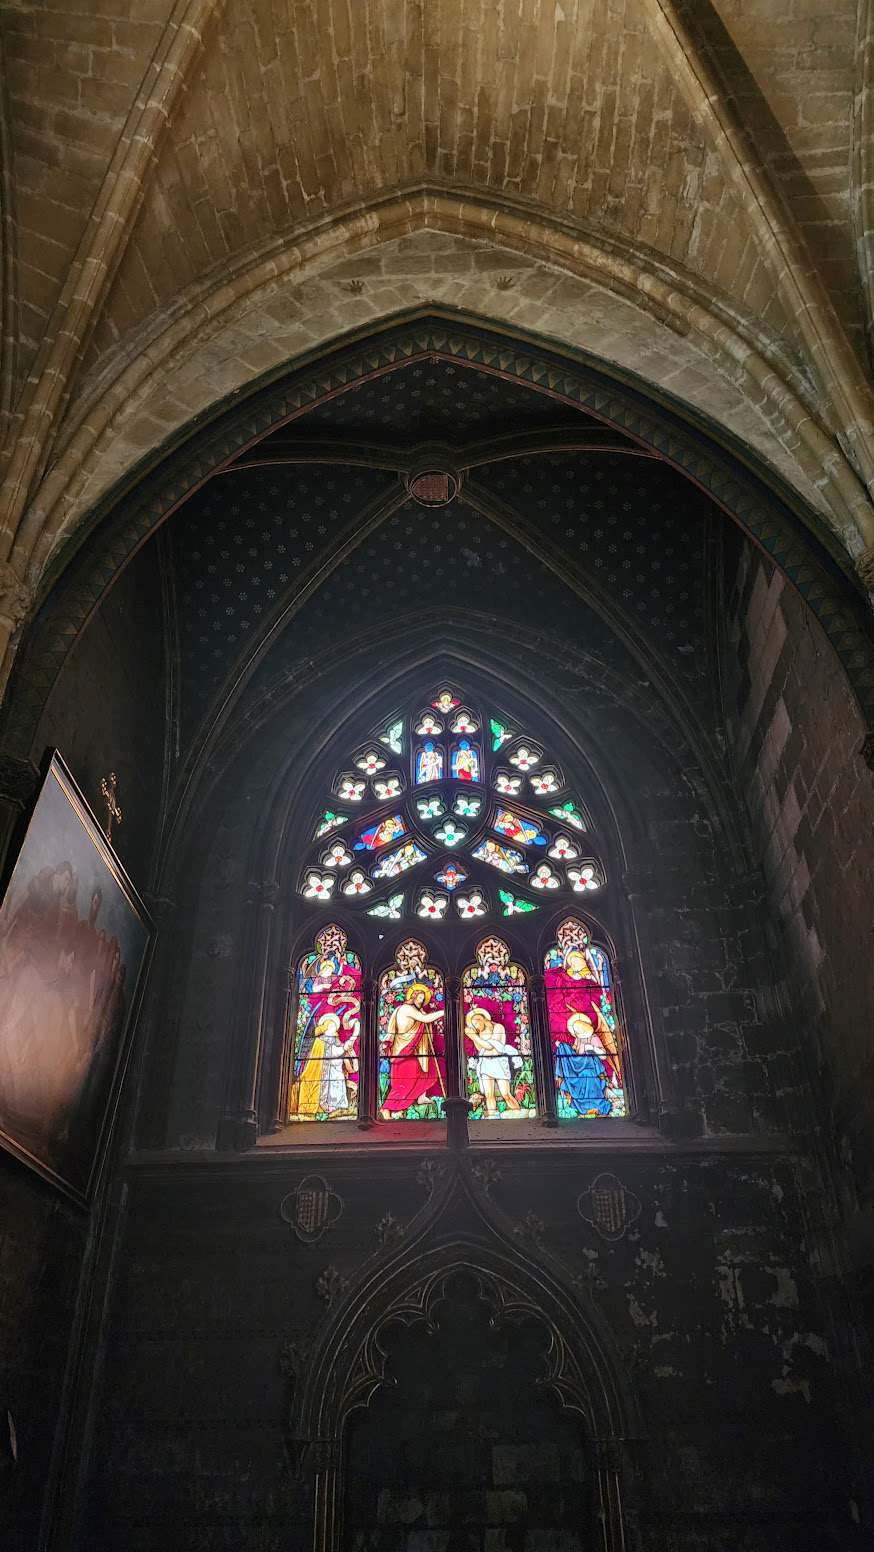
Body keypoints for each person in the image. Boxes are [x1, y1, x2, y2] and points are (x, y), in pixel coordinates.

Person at [381, 983, 444, 1116]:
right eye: (419, 998)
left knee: (428, 1065)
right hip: (403, 1048)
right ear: (413, 997)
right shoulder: (406, 1009)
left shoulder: (412, 1010)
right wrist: (445, 1011)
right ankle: (387, 1107)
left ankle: (421, 1097)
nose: (421, 1001)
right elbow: (425, 1019)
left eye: (423, 999)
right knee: (411, 1072)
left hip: (410, 1049)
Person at [465, 1007, 523, 1117]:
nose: (476, 1027)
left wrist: (473, 1037)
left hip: (499, 1063)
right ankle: (492, 1116)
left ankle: (518, 1113)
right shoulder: (480, 1034)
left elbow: (491, 1046)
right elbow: (480, 1049)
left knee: (505, 1093)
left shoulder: (498, 1027)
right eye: (474, 1025)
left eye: (476, 1023)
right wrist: (474, 1038)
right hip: (485, 1064)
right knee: (488, 1094)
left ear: (482, 1019)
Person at [554, 1012, 612, 1116]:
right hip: (579, 1066)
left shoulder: (594, 1038)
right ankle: (581, 1105)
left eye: (580, 1029)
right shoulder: (578, 1039)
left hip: (592, 1068)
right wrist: (562, 1047)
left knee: (587, 1074)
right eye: (576, 1031)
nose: (578, 1032)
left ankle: (595, 1105)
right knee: (576, 1072)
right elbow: (574, 1054)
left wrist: (592, 1048)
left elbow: (604, 1056)